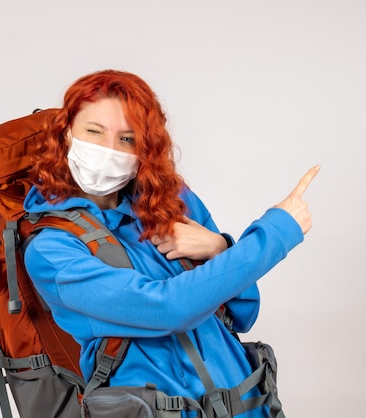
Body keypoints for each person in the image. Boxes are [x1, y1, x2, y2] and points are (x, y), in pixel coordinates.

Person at [23, 69, 318, 417]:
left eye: (127, 139)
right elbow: (167, 310)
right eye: (94, 132)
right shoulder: (52, 250)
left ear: (145, 148)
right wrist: (276, 234)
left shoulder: (172, 201)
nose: (108, 150)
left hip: (251, 406)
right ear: (67, 132)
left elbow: (244, 311)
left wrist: (219, 247)